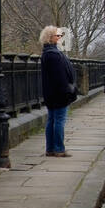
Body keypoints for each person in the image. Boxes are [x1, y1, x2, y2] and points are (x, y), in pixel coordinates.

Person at [40, 25, 78, 157]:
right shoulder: (54, 55)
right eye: (58, 35)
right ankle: (59, 149)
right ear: (51, 37)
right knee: (59, 120)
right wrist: (67, 92)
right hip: (59, 94)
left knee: (52, 120)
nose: (60, 37)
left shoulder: (47, 53)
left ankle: (50, 149)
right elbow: (59, 77)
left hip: (50, 93)